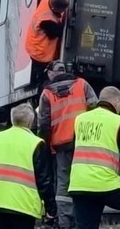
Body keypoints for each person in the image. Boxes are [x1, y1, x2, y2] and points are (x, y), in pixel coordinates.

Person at [68, 87, 120, 229]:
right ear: (117, 101)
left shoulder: (80, 119)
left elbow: (74, 151)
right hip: (105, 185)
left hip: (79, 185)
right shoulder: (119, 122)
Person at [37, 60, 98, 229]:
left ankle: (64, 222)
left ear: (51, 74)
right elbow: (95, 107)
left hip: (60, 145)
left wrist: (44, 146)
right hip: (83, 141)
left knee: (63, 184)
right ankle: (84, 220)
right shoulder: (82, 84)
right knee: (85, 180)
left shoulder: (47, 94)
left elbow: (43, 124)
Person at [0, 103, 57, 229]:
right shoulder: (36, 143)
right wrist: (51, 208)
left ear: (12, 119)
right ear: (30, 121)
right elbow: (44, 180)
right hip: (23, 205)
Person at [24, 0, 69, 80]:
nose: (62, 12)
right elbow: (56, 33)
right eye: (61, 11)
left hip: (34, 45)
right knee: (42, 76)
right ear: (54, 9)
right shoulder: (46, 20)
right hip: (39, 51)